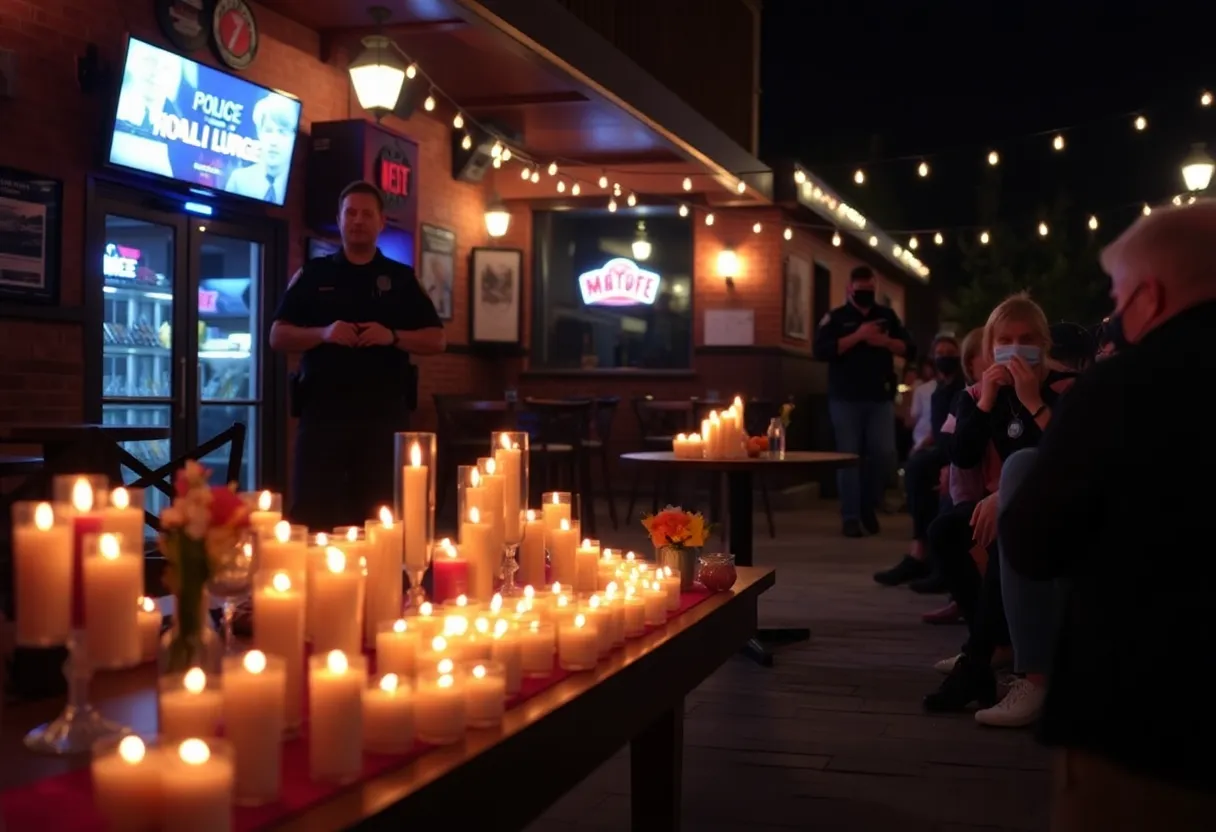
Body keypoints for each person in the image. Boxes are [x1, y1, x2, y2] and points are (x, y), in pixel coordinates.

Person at [1000, 201, 1216, 829]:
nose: (1113, 317)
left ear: (1149, 296)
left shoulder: (1124, 388)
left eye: (1119, 298)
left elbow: (1035, 544)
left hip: (1144, 726)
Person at [269, 181, 445, 530]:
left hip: (382, 418)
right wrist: (323, 333)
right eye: (351, 212)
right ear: (339, 219)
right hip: (323, 416)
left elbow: (437, 339)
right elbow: (277, 335)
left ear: (381, 222)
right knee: (313, 515)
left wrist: (392, 336)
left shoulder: (401, 279)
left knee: (380, 516)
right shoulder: (313, 275)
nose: (358, 220)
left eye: (367, 213)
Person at [923, 294, 1066, 713]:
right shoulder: (976, 394)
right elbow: (962, 455)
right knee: (945, 530)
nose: (1016, 348)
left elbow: (1066, 455)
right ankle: (997, 644)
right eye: (1005, 341)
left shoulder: (1063, 387)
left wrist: (1032, 400)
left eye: (1026, 339)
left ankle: (978, 659)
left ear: (1043, 344)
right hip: (1002, 503)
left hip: (1053, 507)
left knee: (1011, 524)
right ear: (990, 348)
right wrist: (986, 401)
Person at [813, 266, 913, 537]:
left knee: (884, 453)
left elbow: (909, 348)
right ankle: (851, 517)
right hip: (845, 398)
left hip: (879, 397)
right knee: (849, 457)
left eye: (870, 291)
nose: (865, 295)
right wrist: (858, 336)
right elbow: (821, 350)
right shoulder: (836, 318)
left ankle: (869, 502)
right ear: (850, 289)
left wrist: (884, 341)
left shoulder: (886, 316)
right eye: (860, 291)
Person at [875, 334, 963, 588]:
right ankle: (920, 551)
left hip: (957, 450)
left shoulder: (960, 389)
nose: (945, 357)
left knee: (920, 468)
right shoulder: (937, 392)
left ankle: (927, 555)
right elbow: (938, 429)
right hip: (941, 447)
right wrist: (923, 443)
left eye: (950, 353)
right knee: (916, 466)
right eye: (940, 353)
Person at [225, 94, 298, 204]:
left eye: (282, 132)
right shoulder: (238, 180)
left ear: (293, 137)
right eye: (268, 130)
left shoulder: (296, 190)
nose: (274, 141)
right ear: (259, 133)